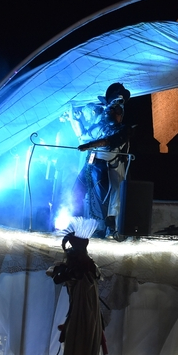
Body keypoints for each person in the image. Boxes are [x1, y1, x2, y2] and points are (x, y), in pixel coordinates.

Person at [46, 217, 106, 355]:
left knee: (79, 350)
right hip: (88, 316)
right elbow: (55, 275)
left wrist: (64, 268)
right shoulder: (84, 267)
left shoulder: (85, 267)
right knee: (85, 351)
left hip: (86, 316)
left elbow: (56, 276)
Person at [77, 83, 132, 239]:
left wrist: (89, 145)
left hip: (111, 169)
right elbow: (84, 135)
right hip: (93, 166)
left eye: (116, 110)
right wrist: (77, 120)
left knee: (111, 199)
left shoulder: (123, 129)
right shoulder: (99, 126)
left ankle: (109, 229)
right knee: (83, 194)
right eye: (110, 109)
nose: (112, 112)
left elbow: (109, 141)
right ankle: (87, 225)